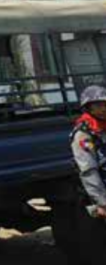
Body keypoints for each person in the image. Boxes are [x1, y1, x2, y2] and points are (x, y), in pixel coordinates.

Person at [72, 85, 106, 220]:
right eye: (98, 105)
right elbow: (88, 170)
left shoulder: (103, 126)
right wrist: (102, 202)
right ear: (88, 108)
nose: (103, 109)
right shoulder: (84, 134)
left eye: (105, 104)